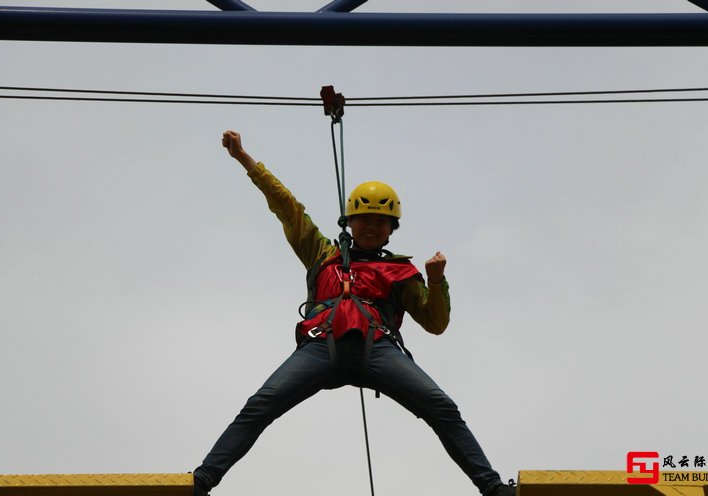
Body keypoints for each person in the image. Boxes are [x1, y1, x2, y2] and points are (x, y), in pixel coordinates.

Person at [193, 130, 515, 496]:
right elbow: (285, 204)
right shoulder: (322, 254)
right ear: (350, 222)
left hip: (377, 347)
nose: (372, 226)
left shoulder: (400, 272)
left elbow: (435, 322)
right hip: (321, 345)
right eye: (364, 218)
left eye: (381, 221)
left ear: (392, 229)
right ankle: (202, 480)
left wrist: (437, 281)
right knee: (260, 406)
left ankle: (491, 486)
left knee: (441, 407)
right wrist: (244, 158)